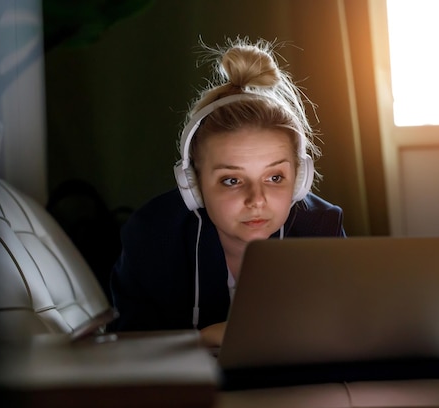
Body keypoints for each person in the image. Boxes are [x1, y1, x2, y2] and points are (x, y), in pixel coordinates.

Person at [108, 36, 346, 347]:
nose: (256, 200)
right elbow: (130, 352)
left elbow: (344, 335)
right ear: (192, 184)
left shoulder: (322, 229)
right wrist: (201, 340)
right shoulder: (151, 236)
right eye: (232, 180)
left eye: (275, 177)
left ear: (299, 179)